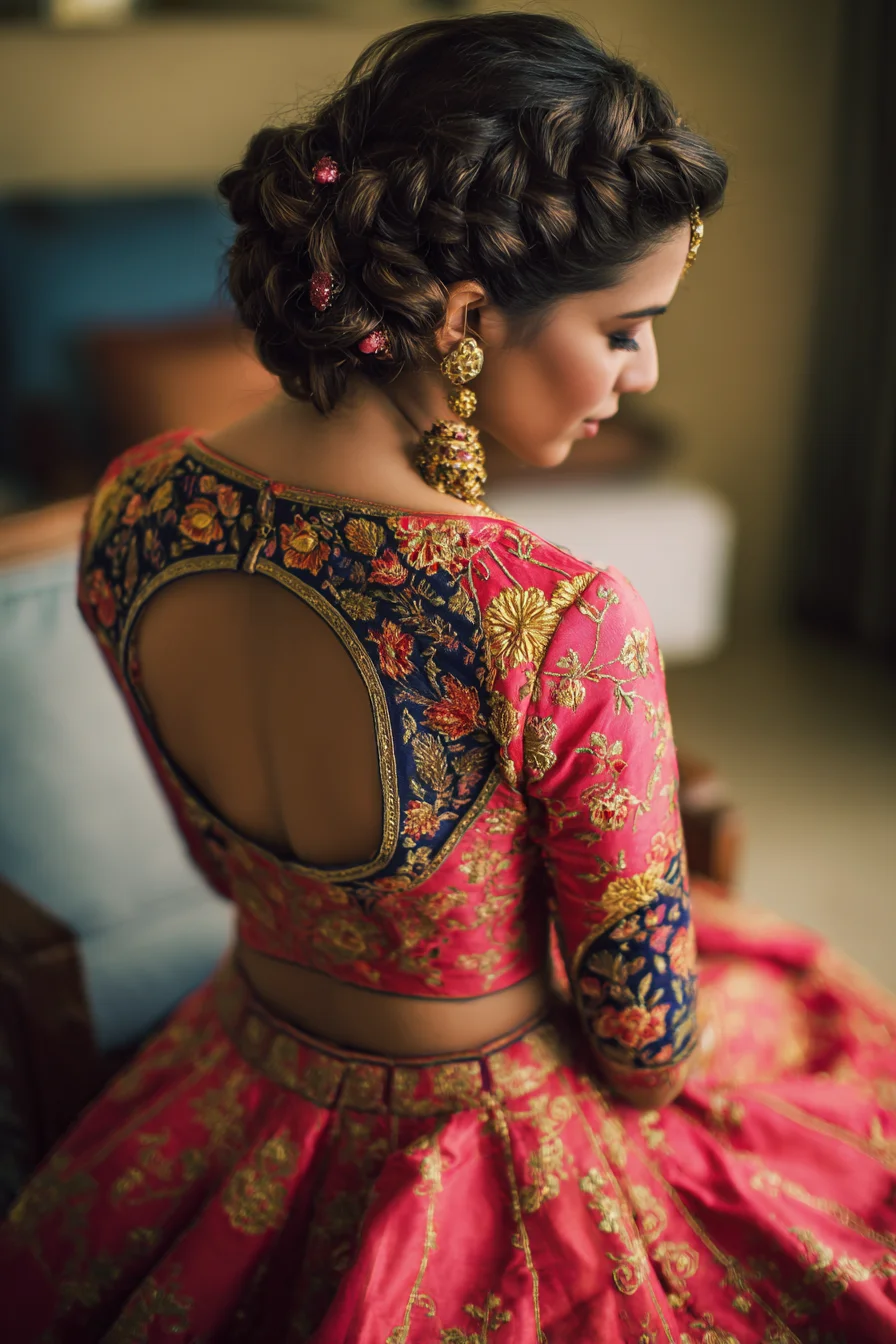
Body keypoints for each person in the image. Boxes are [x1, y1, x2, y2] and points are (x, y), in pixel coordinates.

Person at [3, 11, 895, 1342]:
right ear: (469, 316)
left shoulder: (133, 504)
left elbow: (219, 868)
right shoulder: (556, 617)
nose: (644, 374)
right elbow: (646, 1054)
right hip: (483, 1156)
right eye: (625, 330)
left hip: (234, 1077)